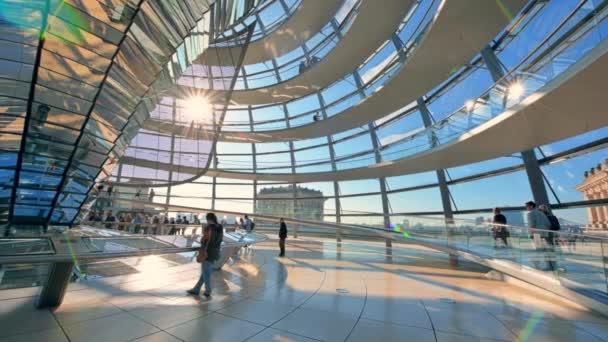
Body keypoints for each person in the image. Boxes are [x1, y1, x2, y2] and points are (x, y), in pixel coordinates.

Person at [188, 213, 224, 298]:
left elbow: (205, 240)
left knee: (206, 273)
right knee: (205, 272)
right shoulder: (220, 227)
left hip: (207, 252)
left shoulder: (208, 227)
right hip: (216, 251)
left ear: (208, 219)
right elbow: (220, 239)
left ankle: (208, 290)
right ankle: (196, 289)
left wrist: (201, 247)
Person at [526, 201, 554, 271]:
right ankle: (550, 265)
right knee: (545, 250)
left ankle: (536, 265)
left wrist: (530, 234)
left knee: (538, 250)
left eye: (527, 206)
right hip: (545, 234)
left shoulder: (530, 214)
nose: (526, 208)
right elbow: (548, 224)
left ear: (531, 206)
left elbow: (531, 225)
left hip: (536, 235)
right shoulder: (542, 213)